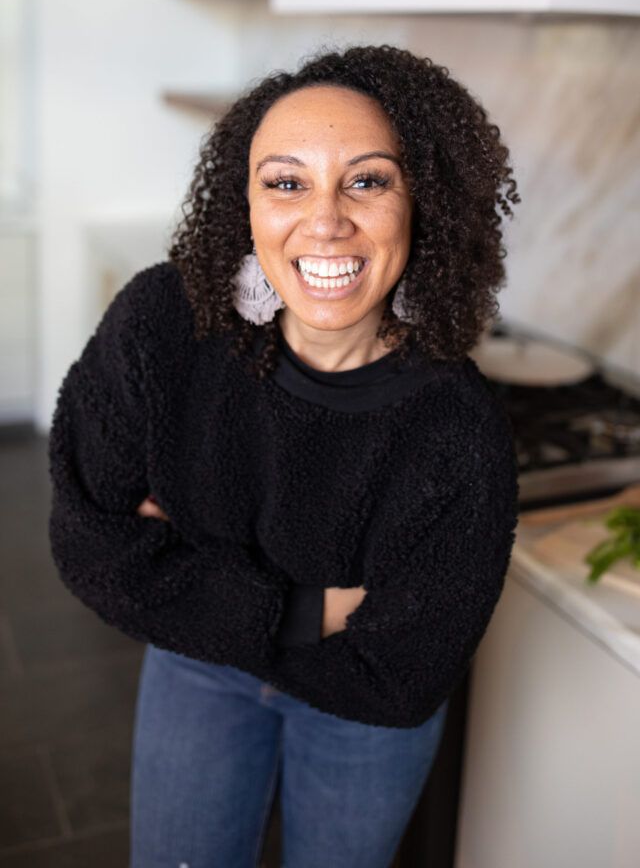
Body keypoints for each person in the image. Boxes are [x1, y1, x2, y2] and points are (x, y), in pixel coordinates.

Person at [47, 43, 521, 868]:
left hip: (359, 721)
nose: (326, 220)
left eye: (367, 181)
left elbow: (401, 673)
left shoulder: (459, 432)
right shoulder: (166, 325)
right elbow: (89, 546)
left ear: (423, 202)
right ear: (247, 204)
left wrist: (180, 576)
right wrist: (314, 613)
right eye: (287, 183)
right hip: (199, 671)